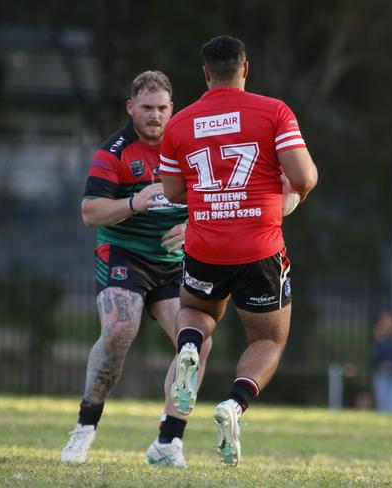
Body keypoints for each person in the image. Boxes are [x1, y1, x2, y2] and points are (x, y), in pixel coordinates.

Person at [159, 35, 318, 467]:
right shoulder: (274, 112)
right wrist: (292, 194)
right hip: (259, 249)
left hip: (205, 245)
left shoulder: (180, 123)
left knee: (197, 314)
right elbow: (304, 176)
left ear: (205, 73)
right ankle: (234, 403)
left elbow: (174, 191)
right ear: (245, 69)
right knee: (268, 338)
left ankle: (189, 345)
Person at [60, 71, 212, 467]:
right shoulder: (114, 152)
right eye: (147, 108)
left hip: (174, 264)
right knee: (119, 329)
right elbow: (90, 212)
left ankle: (168, 442)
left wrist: (192, 226)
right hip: (125, 254)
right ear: (131, 108)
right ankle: (85, 426)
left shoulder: (190, 147)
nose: (155, 116)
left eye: (163, 108)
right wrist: (133, 204)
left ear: (172, 109)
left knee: (197, 344)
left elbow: (217, 199)